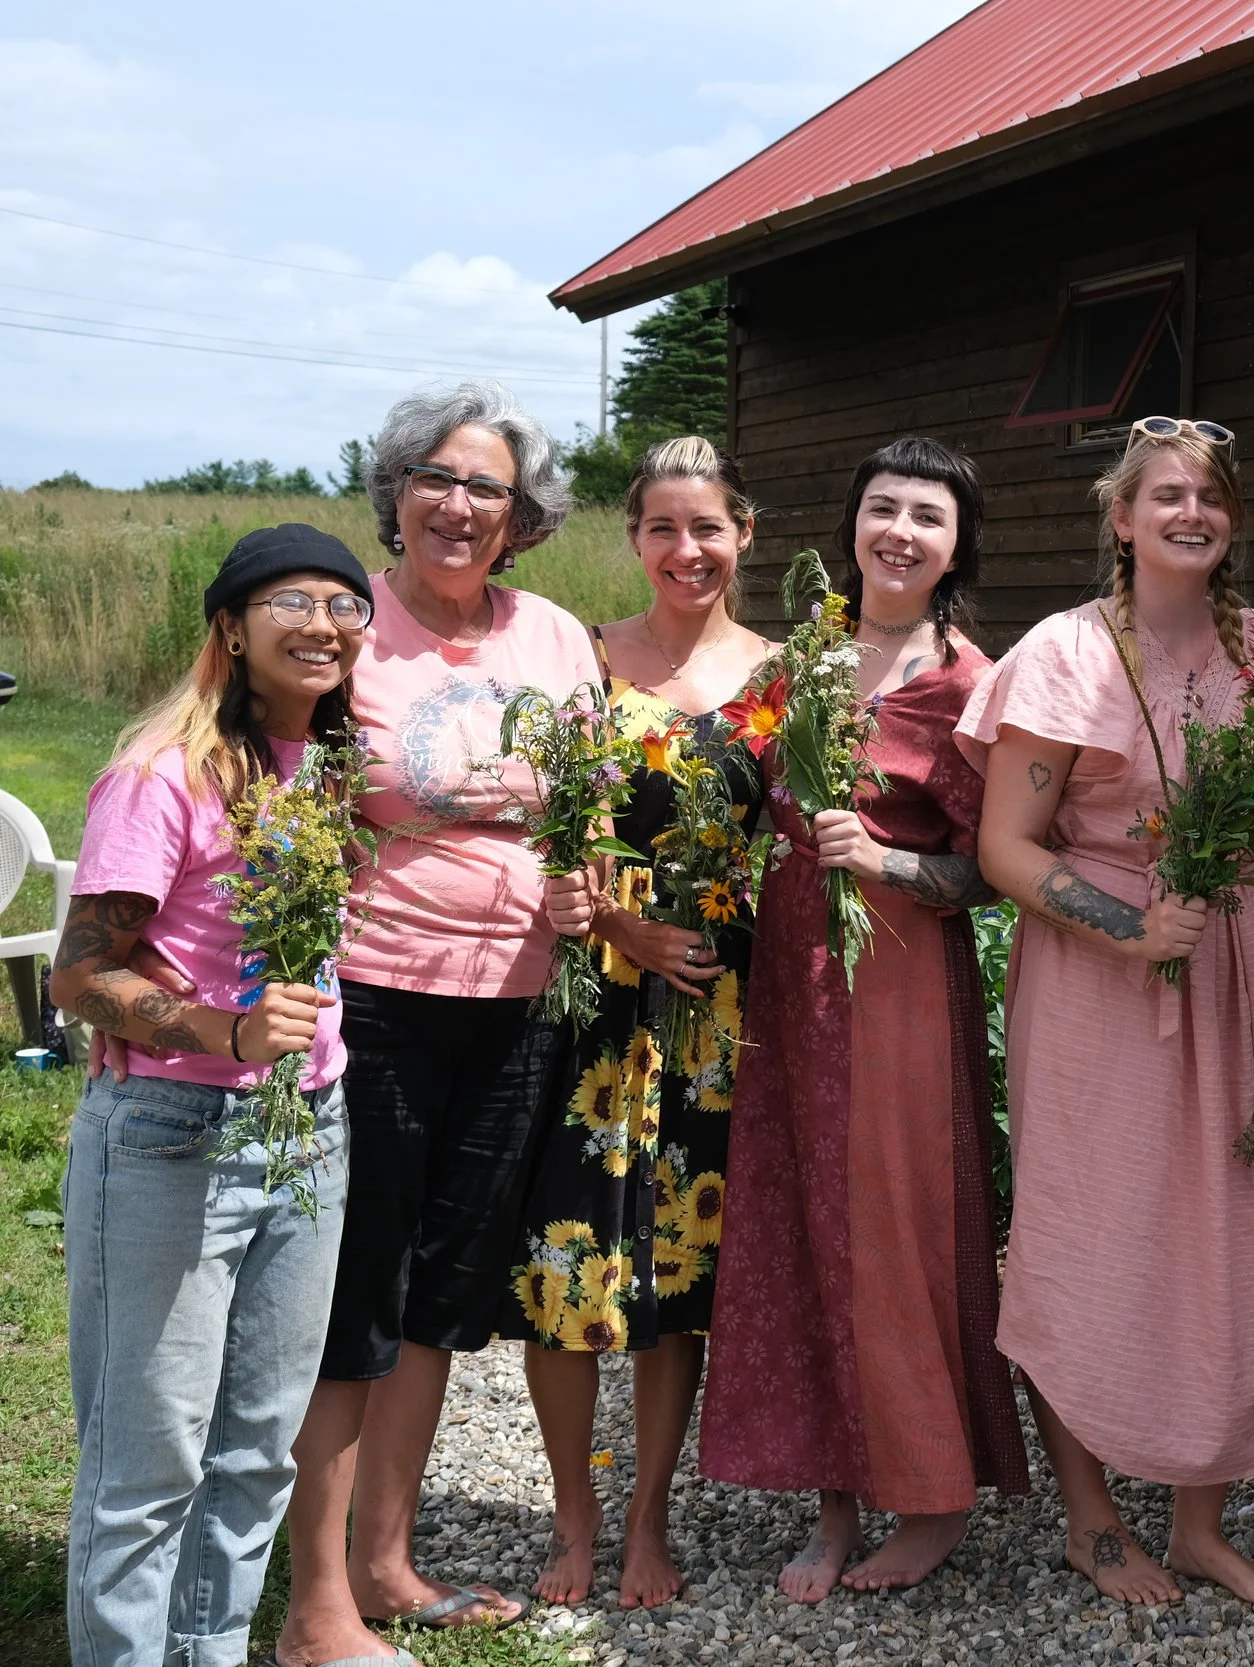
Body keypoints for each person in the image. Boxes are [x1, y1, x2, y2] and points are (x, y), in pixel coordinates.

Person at [277, 381, 600, 1667]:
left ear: (523, 517)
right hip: (378, 998)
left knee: (441, 1297)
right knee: (357, 1287)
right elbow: (276, 798)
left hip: (518, 1003)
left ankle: (387, 1563)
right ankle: (314, 1608)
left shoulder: (555, 637)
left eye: (491, 490)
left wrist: (588, 876)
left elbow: (585, 802)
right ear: (396, 489)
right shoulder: (345, 623)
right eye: (441, 480)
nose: (463, 507)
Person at [957, 416, 1254, 1612]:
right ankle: (1093, 1520)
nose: (1189, 512)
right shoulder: (1064, 653)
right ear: (1121, 518)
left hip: (1226, 966)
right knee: (1090, 1234)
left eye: (1209, 494)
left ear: (1232, 517)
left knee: (1224, 1233)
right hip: (1099, 975)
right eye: (1164, 494)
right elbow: (1003, 843)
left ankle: (1200, 1519)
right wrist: (1125, 927)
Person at [701, 435, 1028, 1598]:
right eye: (880, 507)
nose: (898, 530)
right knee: (799, 1221)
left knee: (895, 1226)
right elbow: (708, 789)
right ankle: (832, 1498)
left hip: (897, 983)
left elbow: (990, 871)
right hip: (789, 982)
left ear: (955, 546)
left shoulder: (971, 685)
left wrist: (887, 860)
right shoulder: (800, 663)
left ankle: (933, 1489)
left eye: (925, 516)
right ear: (851, 525)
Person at [49, 527, 370, 1667]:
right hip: (174, 1135)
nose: (324, 621)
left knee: (256, 1450)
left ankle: (208, 1650)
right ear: (230, 626)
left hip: (307, 1131)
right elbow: (81, 974)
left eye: (346, 603)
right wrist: (222, 1030)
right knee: (149, 1463)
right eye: (292, 599)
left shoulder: (326, 769)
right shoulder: (162, 772)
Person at [511, 437, 774, 1610]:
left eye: (707, 527)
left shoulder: (785, 676)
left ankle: (648, 1518)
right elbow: (546, 831)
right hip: (589, 1001)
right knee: (567, 1263)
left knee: (679, 1270)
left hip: (721, 1003)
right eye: (663, 528)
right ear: (634, 539)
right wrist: (622, 927)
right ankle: (575, 1514)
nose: (686, 549)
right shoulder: (584, 658)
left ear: (743, 534)